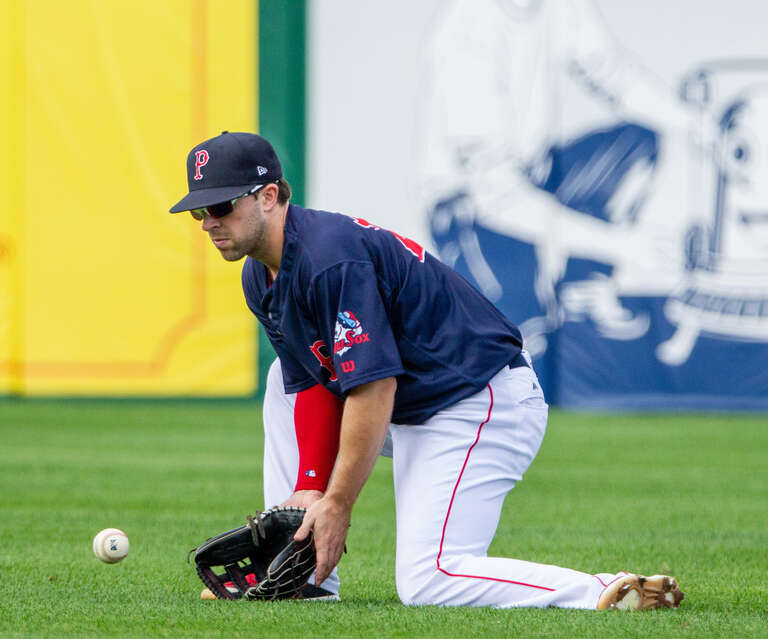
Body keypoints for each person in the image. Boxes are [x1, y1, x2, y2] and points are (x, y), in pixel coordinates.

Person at [169, 131, 684, 610]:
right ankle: (303, 575)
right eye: (199, 212)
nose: (209, 222)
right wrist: (310, 488)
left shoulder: (330, 258)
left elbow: (373, 389)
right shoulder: (261, 276)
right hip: (416, 406)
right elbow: (314, 382)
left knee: (429, 578)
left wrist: (338, 503)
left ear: (268, 196)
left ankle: (604, 590)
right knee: (281, 383)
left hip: (479, 403)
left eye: (221, 205)